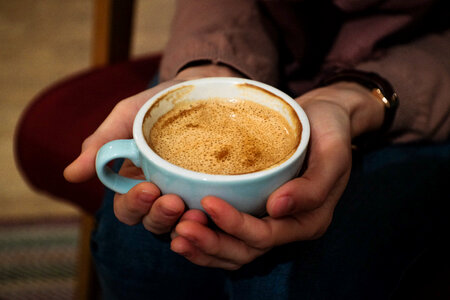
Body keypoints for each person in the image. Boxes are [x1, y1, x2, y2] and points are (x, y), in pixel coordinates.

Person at [64, 0, 450, 299]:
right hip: (243, 55)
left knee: (284, 283)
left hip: (415, 92)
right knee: (136, 250)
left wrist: (362, 97)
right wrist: (213, 62)